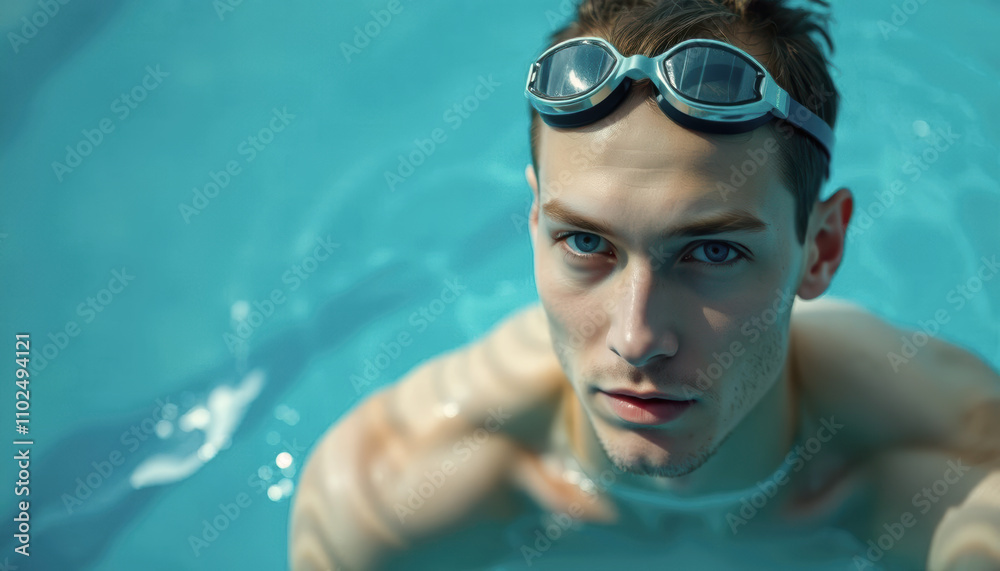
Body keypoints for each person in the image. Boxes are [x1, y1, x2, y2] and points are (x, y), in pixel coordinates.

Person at [289, 0, 1000, 569]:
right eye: (586, 242)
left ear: (822, 247)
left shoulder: (954, 474)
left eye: (713, 251)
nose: (637, 338)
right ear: (535, 224)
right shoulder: (387, 501)